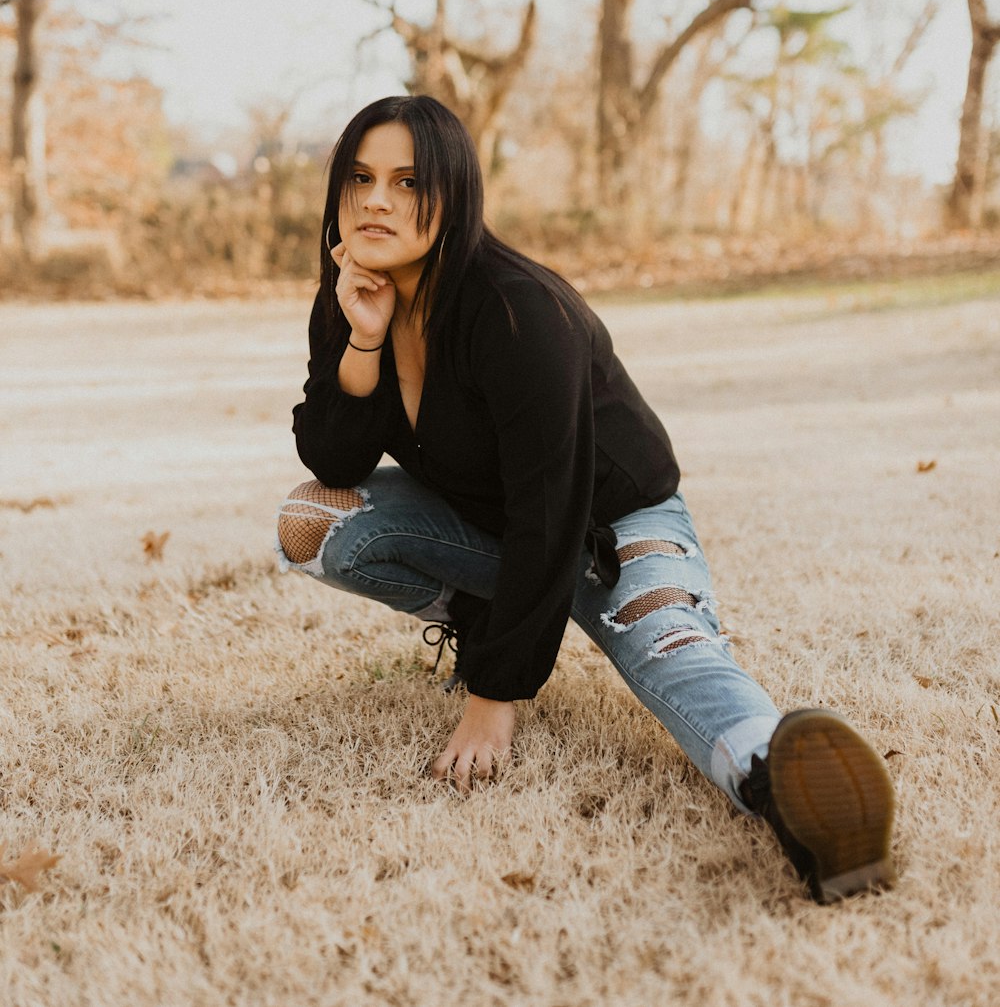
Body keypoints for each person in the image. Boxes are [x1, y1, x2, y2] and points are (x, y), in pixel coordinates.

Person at [276, 95, 896, 905]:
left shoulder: (518, 310)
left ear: (455, 194)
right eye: (360, 178)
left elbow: (551, 505)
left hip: (610, 520)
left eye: (406, 180)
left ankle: (780, 780)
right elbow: (333, 458)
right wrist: (363, 335)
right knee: (315, 524)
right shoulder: (354, 292)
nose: (376, 200)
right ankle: (490, 609)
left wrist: (492, 698)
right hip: (495, 526)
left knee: (664, 646)